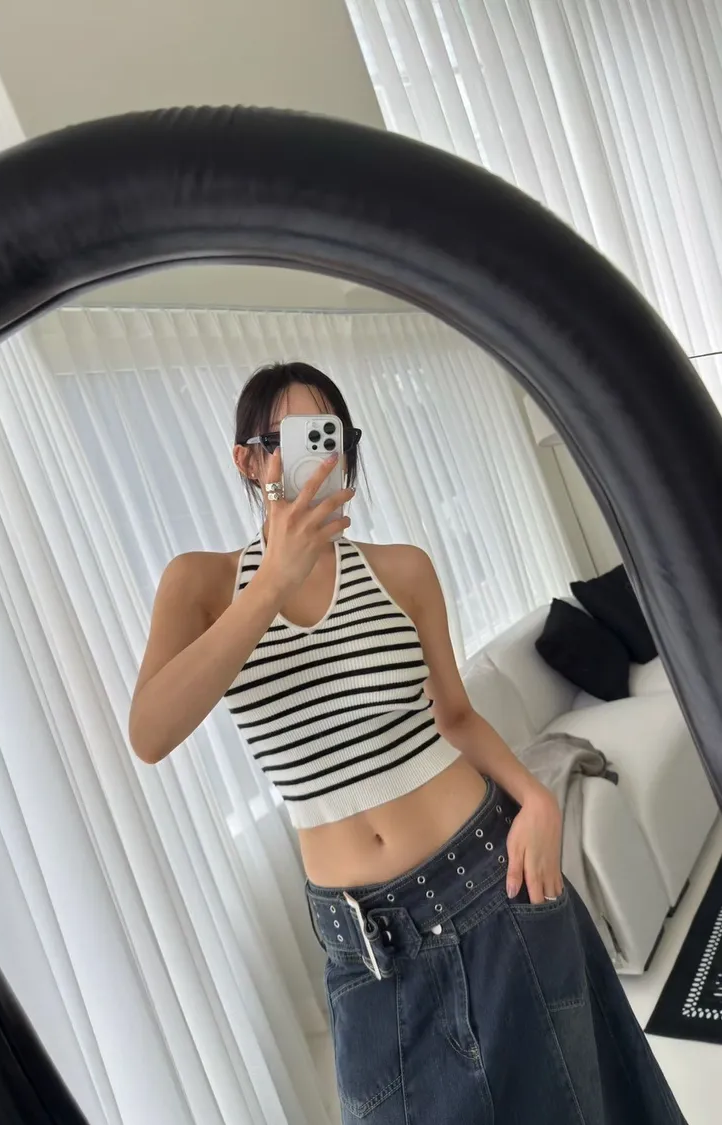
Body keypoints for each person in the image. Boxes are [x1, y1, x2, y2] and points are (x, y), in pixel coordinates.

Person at [129, 362, 686, 1124]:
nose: (320, 455)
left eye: (332, 436)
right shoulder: (200, 584)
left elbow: (455, 715)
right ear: (249, 460)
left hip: (492, 881)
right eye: (293, 437)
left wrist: (537, 800)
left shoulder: (401, 569)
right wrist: (271, 584)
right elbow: (152, 732)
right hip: (367, 947)